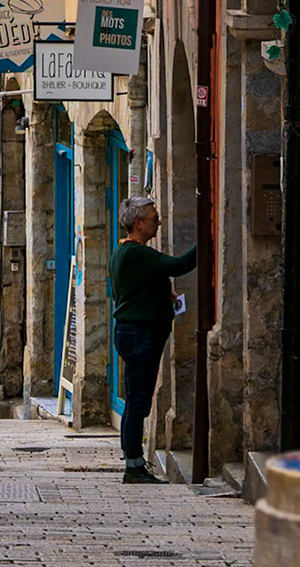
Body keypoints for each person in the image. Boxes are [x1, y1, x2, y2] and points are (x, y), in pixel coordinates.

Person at [110, 195, 195, 485]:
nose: (158, 221)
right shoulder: (137, 254)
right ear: (137, 223)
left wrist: (161, 291)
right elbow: (180, 264)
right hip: (140, 334)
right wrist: (206, 241)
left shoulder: (123, 252)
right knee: (138, 403)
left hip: (132, 332)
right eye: (153, 217)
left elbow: (133, 288)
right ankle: (133, 466)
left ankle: (133, 462)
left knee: (136, 400)